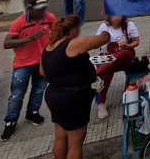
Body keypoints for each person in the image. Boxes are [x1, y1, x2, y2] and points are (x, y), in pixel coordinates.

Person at [41, 15, 110, 159]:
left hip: (54, 96)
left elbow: (42, 71)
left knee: (60, 137)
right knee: (75, 143)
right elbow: (104, 38)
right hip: (73, 99)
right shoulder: (72, 44)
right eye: (78, 28)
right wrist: (107, 27)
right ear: (73, 29)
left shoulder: (49, 46)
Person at [1, 0, 56, 141]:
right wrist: (30, 38)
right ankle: (11, 121)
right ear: (29, 9)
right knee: (17, 95)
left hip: (42, 62)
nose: (43, 11)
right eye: (39, 9)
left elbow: (56, 31)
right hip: (23, 64)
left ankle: (32, 112)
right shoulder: (19, 23)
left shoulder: (49, 17)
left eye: (45, 8)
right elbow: (7, 44)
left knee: (38, 90)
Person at [94, 16, 140, 119]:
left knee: (125, 53)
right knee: (108, 69)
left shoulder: (129, 25)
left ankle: (97, 73)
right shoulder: (104, 27)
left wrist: (127, 45)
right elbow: (96, 45)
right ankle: (101, 104)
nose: (116, 18)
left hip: (123, 57)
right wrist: (103, 40)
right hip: (107, 58)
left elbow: (136, 41)